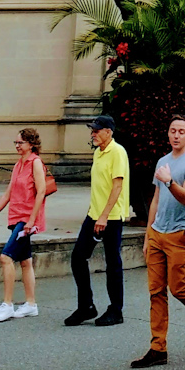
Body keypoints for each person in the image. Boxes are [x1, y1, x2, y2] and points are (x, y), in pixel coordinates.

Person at [131, 115, 185, 369]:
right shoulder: (163, 161)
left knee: (178, 287)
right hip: (159, 232)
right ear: (168, 134)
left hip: (182, 233)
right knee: (156, 292)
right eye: (172, 130)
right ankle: (158, 348)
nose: (176, 135)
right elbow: (156, 200)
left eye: (181, 131)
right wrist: (148, 235)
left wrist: (170, 181)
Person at [66, 116, 129, 327]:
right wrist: (94, 212)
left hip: (110, 217)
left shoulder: (117, 152)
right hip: (94, 214)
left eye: (97, 130)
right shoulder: (98, 153)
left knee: (113, 263)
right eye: (92, 130)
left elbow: (117, 186)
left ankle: (116, 310)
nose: (93, 133)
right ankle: (86, 307)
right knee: (78, 258)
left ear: (108, 132)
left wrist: (104, 216)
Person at [0, 127, 48, 322]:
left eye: (20, 142)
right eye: (16, 143)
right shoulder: (19, 164)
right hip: (16, 216)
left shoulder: (35, 163)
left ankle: (7, 304)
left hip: (25, 219)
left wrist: (31, 220)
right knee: (25, 261)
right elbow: (8, 193)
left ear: (31, 144)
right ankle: (30, 304)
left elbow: (41, 191)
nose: (17, 146)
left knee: (5, 257)